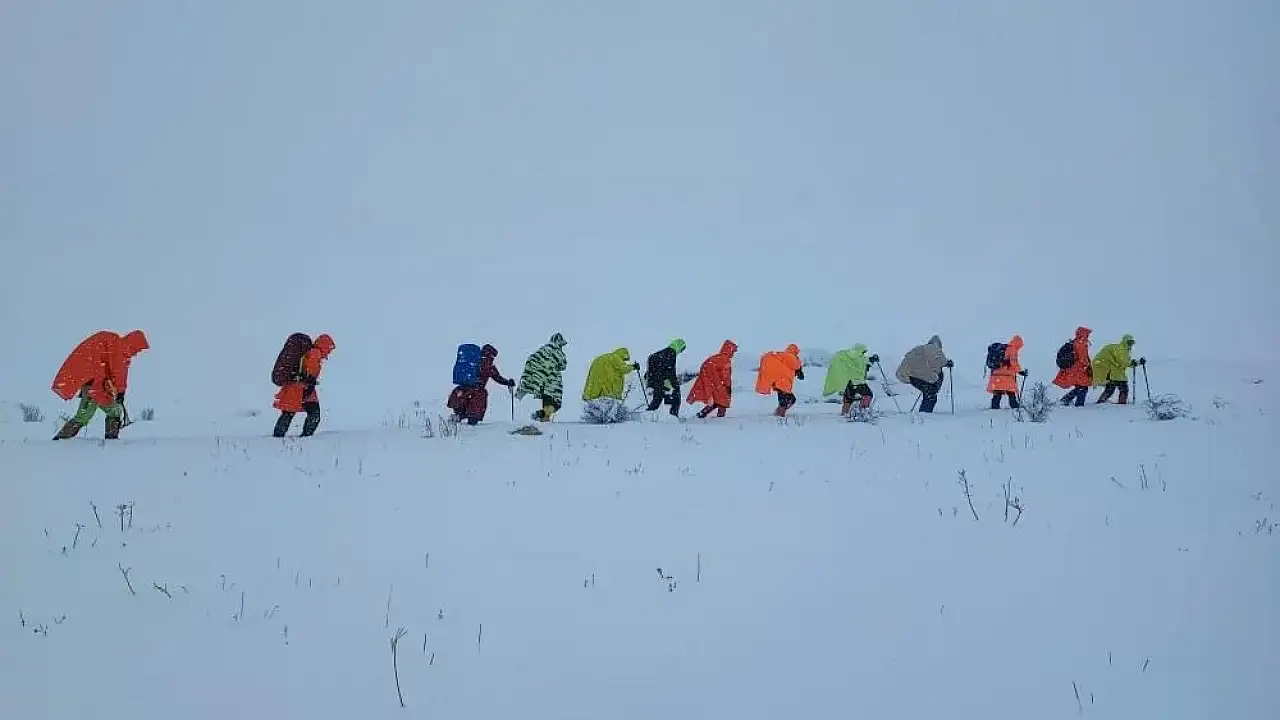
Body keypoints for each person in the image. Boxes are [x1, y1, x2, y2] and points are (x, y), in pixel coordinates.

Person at [51, 329, 151, 440]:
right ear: (133, 344)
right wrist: (120, 393)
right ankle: (60, 440)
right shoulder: (119, 350)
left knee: (114, 411)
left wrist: (117, 392)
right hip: (93, 386)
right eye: (138, 349)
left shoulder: (115, 345)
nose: (136, 353)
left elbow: (112, 371)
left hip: (98, 386)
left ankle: (111, 440)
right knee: (84, 416)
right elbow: (118, 374)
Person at [273, 334, 335, 437]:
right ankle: (306, 437)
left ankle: (278, 436)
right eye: (329, 348)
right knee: (314, 414)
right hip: (301, 388)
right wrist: (310, 384)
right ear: (324, 345)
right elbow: (310, 372)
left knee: (288, 413)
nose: (329, 351)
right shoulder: (316, 353)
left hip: (294, 387)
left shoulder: (310, 351)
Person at [447, 344, 515, 425]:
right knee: (475, 408)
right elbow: (497, 378)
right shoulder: (488, 366)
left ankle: (458, 416)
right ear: (490, 355)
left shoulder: (473, 362)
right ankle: (472, 422)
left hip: (462, 389)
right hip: (477, 392)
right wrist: (507, 382)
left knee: (463, 405)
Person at [516, 332, 568, 422]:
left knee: (547, 402)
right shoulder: (558, 352)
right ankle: (541, 414)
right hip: (553, 384)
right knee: (556, 403)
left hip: (543, 383)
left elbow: (531, 360)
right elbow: (563, 366)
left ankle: (544, 421)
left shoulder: (543, 350)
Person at [895, 335, 951, 414]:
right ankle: (924, 416)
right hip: (915, 375)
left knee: (929, 392)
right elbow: (938, 360)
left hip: (907, 374)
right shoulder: (933, 348)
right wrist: (947, 363)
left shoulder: (921, 349)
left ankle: (923, 414)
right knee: (931, 395)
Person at [686, 340, 737, 419]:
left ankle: (702, 414)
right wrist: (728, 386)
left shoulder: (715, 357)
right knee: (723, 401)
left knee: (717, 400)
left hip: (711, 380)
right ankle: (721, 418)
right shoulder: (725, 360)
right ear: (730, 350)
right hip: (718, 383)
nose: (733, 354)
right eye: (733, 351)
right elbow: (726, 376)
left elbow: (705, 366)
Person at [824, 344, 877, 417]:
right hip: (859, 383)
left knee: (848, 399)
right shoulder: (859, 357)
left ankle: (844, 414)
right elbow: (865, 360)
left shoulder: (846, 357)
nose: (864, 353)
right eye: (864, 352)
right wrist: (872, 359)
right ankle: (862, 411)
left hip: (848, 384)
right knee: (868, 395)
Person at [755, 344, 804, 417]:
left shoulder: (781, 356)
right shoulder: (792, 357)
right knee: (789, 400)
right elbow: (796, 366)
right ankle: (779, 415)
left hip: (779, 383)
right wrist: (799, 370)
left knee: (785, 400)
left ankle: (779, 413)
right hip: (783, 384)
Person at [644, 339, 687, 416]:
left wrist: (649, 376)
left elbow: (657, 365)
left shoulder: (662, 352)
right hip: (660, 379)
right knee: (676, 395)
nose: (681, 352)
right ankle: (673, 416)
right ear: (679, 346)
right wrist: (675, 384)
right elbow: (671, 370)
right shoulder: (671, 352)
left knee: (658, 399)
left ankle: (647, 414)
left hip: (655, 378)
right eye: (682, 349)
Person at [1092, 334, 1139, 404]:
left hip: (1116, 373)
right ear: (1125, 341)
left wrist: (1136, 363)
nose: (1130, 344)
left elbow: (1125, 362)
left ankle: (1101, 402)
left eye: (1132, 342)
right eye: (1129, 342)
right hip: (1115, 374)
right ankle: (1121, 404)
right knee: (1122, 390)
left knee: (1110, 390)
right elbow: (1123, 362)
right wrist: (1134, 363)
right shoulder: (1122, 349)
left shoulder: (1122, 349)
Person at [1053, 326, 1093, 406]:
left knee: (1080, 386)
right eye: (1087, 334)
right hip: (1079, 369)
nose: (1088, 336)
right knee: (1083, 387)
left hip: (1073, 369)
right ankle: (1079, 405)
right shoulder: (1081, 343)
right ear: (1083, 334)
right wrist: (1088, 366)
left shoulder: (1075, 342)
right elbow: (1083, 359)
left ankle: (1065, 400)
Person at [986, 335, 1027, 409]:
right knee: (1011, 391)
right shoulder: (1012, 350)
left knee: (998, 391)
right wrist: (1021, 372)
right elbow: (1014, 363)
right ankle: (1014, 406)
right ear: (1018, 343)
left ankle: (994, 407)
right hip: (1006, 375)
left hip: (996, 374)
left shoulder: (1005, 348)